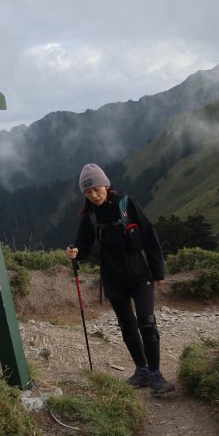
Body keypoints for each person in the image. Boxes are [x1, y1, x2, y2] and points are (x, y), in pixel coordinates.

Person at [65, 163, 174, 394]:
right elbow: (83, 242)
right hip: (113, 279)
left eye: (96, 189)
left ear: (106, 184)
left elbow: (149, 234)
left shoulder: (126, 204)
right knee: (127, 326)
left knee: (147, 321)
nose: (93, 195)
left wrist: (158, 271)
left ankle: (156, 375)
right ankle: (142, 370)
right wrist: (75, 251)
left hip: (140, 275)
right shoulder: (90, 216)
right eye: (87, 192)